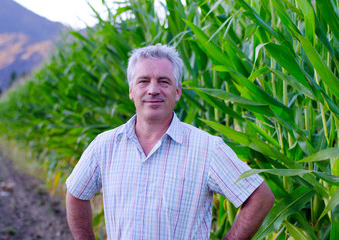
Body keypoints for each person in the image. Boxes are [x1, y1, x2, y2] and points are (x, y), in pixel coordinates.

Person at [66, 44, 275, 240]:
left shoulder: (207, 149)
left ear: (178, 92)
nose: (153, 90)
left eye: (164, 81)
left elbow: (260, 197)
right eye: (143, 81)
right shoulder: (105, 145)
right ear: (131, 91)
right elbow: (76, 193)